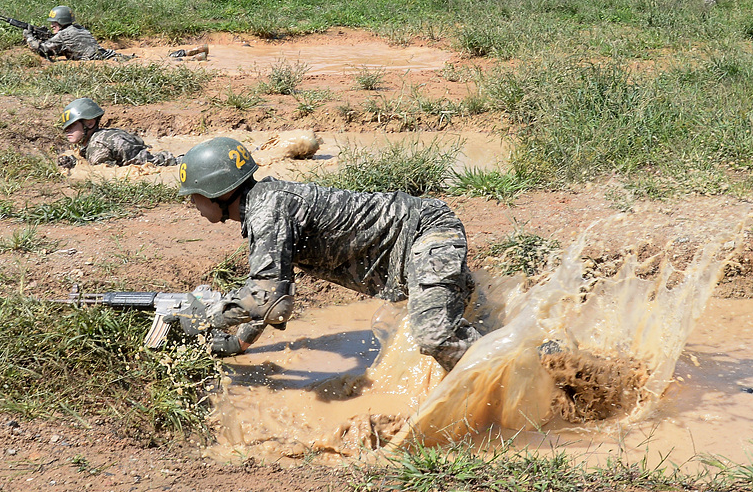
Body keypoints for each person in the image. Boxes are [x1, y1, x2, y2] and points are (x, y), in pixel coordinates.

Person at [178, 137, 482, 368]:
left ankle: (517, 375)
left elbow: (269, 299)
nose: (193, 205)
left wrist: (208, 316)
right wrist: (237, 344)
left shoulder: (267, 212)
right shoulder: (264, 206)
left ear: (217, 193)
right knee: (471, 320)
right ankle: (499, 352)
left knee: (435, 336)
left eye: (194, 197)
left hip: (426, 232)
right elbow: (271, 289)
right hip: (410, 249)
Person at [57, 98, 179, 171]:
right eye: (66, 127)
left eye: (72, 125)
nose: (67, 130)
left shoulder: (96, 147)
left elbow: (106, 173)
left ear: (89, 123)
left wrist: (78, 167)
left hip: (164, 163)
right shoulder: (103, 134)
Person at [23, 6, 132, 62]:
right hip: (109, 55)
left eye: (54, 23)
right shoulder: (79, 28)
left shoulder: (63, 35)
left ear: (61, 22)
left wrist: (29, 36)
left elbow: (42, 50)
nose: (51, 26)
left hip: (96, 61)